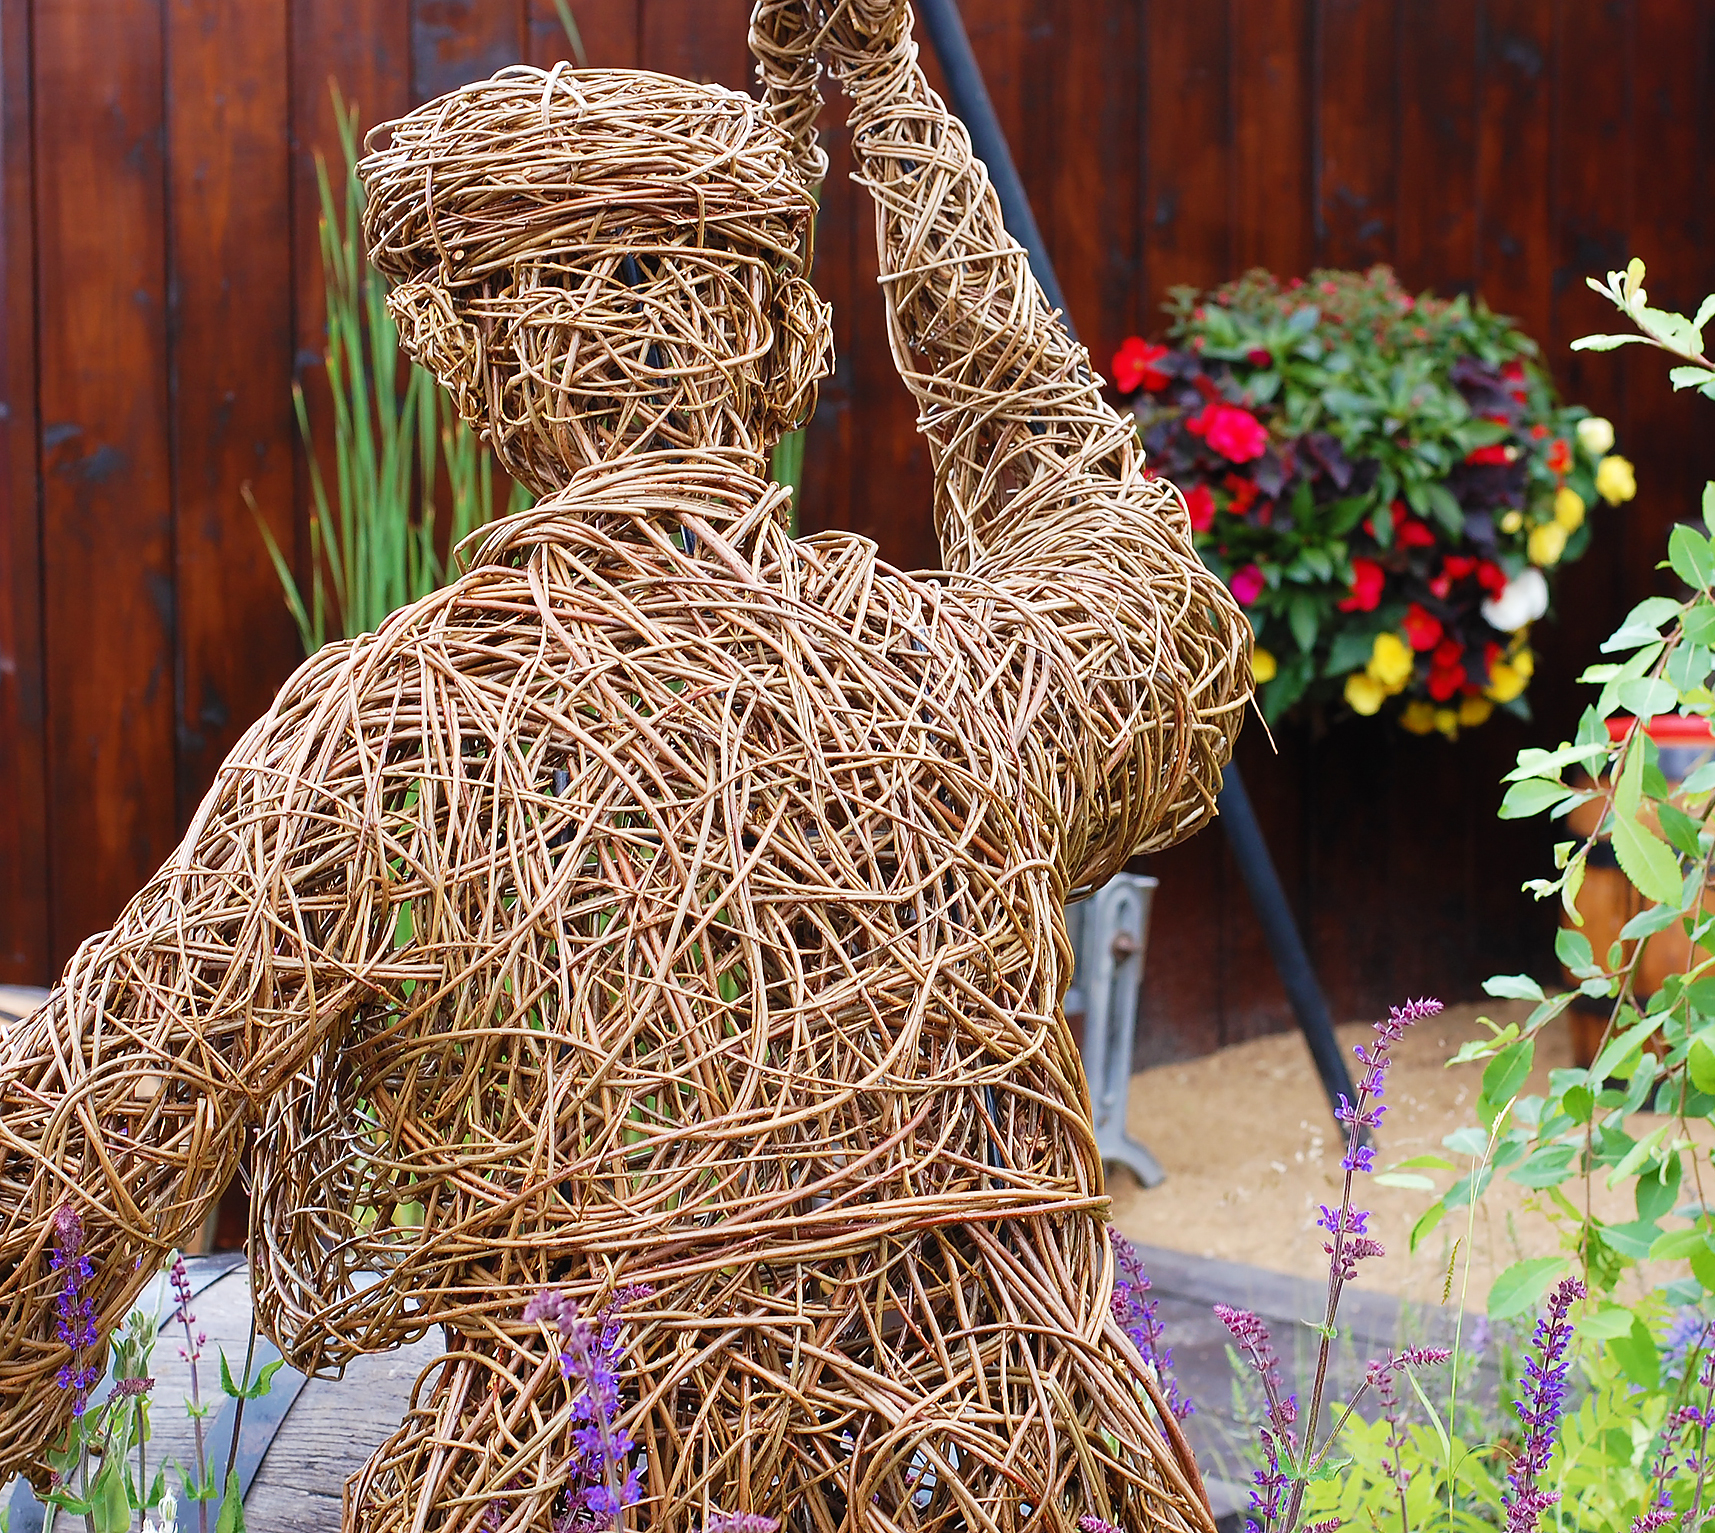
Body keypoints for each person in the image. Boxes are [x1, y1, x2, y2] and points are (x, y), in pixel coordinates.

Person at [0, 2, 1249, 1526]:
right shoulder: (978, 679)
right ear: (790, 345)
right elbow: (1097, 529)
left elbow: (72, 1158)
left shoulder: (383, 746)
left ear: (453, 356)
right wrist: (887, 102)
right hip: (1008, 1467)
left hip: (560, 1471)